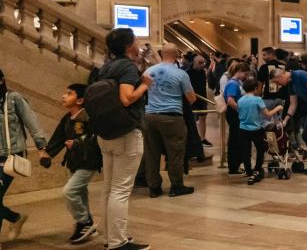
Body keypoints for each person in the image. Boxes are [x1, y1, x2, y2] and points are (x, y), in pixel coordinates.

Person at [96, 28, 154, 250]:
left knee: (109, 188)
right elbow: (127, 98)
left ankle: (109, 237)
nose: (139, 43)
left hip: (107, 132)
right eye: (136, 40)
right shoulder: (127, 66)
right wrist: (145, 85)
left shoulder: (106, 67)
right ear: (129, 45)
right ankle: (118, 243)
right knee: (120, 190)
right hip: (125, 133)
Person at [38, 82, 102, 244]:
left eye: (69, 93)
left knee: (69, 192)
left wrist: (77, 144)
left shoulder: (89, 117)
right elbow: (58, 138)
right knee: (80, 193)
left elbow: (96, 140)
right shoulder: (67, 118)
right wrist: (48, 154)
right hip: (73, 162)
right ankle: (88, 226)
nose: (63, 96)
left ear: (80, 100)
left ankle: (85, 222)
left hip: (89, 163)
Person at [0, 67, 47, 244]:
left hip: (11, 156)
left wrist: (42, 148)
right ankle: (16, 218)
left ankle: (15, 219)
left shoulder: (14, 99)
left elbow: (32, 123)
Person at [143, 43, 197, 198]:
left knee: (151, 153)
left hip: (150, 115)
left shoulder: (149, 71)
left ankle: (154, 187)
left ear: (162, 53)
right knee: (175, 152)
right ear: (177, 55)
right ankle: (176, 186)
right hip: (171, 117)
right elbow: (191, 98)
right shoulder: (180, 74)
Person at [237, 78, 282, 185]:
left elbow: (239, 111)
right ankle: (257, 169)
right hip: (256, 129)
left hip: (242, 129)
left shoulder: (240, 100)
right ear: (256, 88)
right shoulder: (258, 100)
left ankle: (248, 171)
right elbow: (267, 114)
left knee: (246, 151)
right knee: (261, 149)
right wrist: (278, 108)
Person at [222, 62, 251, 175]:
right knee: (235, 140)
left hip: (236, 113)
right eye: (245, 74)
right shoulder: (232, 84)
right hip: (235, 114)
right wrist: (241, 110)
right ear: (239, 72)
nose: (246, 76)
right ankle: (233, 166)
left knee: (237, 139)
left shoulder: (236, 82)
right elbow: (230, 101)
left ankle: (236, 165)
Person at [186, 55, 211, 146]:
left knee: (203, 118)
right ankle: (192, 138)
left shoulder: (202, 72)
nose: (202, 65)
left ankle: (203, 138)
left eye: (203, 63)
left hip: (202, 98)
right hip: (192, 98)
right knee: (191, 118)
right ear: (194, 62)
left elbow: (203, 86)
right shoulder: (188, 72)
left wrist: (205, 99)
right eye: (199, 63)